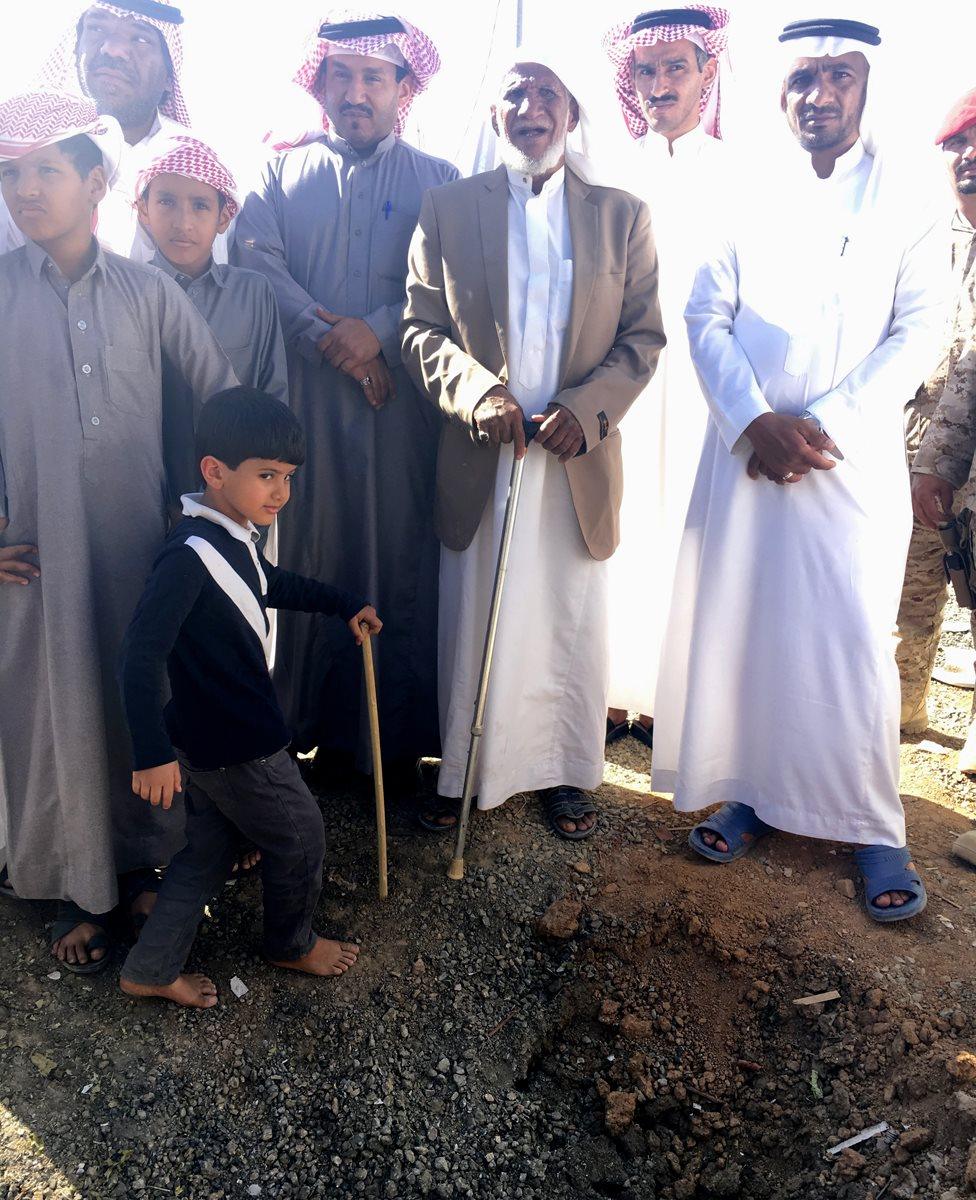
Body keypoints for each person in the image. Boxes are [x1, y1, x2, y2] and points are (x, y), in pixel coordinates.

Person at [651, 19, 949, 921]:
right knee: (752, 625)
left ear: (868, 86)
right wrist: (753, 420)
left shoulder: (910, 195)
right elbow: (704, 312)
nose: (820, 95)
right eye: (804, 79)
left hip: (844, 461)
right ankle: (751, 790)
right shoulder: (744, 187)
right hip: (746, 455)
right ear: (778, 91)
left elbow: (920, 328)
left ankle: (870, 823)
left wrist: (820, 426)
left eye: (841, 77)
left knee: (849, 639)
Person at [0, 90, 237, 972]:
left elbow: (222, 405)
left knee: (142, 703)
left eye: (47, 172)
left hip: (140, 549)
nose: (27, 191)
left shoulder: (147, 293)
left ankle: (145, 866)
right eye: (12, 174)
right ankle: (74, 882)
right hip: (34, 558)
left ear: (95, 182)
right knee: (55, 707)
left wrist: (208, 522)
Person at [401, 51, 664, 839]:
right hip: (486, 452)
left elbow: (643, 335)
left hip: (574, 457)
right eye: (513, 92)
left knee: (565, 617)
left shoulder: (622, 212)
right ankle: (463, 770)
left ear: (573, 115)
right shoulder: (447, 208)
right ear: (494, 116)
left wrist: (587, 410)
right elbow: (419, 326)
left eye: (548, 92)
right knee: (477, 614)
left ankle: (562, 773)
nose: (530, 105)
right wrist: (476, 393)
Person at [233, 12, 459, 787]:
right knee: (308, 553)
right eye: (342, 77)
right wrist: (332, 338)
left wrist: (381, 333)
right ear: (320, 84)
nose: (356, 93)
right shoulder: (277, 174)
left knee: (398, 558)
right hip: (306, 413)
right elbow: (256, 262)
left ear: (403, 88)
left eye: (374, 78)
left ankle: (391, 745)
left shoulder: (441, 179)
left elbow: (456, 285)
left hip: (402, 411)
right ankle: (299, 729)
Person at [118, 389, 378, 1008]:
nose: (280, 492)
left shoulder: (234, 535)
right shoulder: (187, 557)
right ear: (214, 471)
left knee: (207, 850)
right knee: (301, 835)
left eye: (286, 477)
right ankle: (290, 942)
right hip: (236, 746)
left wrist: (343, 605)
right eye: (266, 476)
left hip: (213, 739)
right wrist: (149, 754)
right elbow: (138, 655)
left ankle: (150, 967)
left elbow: (271, 583)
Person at [602, 4, 731, 748]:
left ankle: (667, 703)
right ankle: (612, 696)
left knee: (686, 532)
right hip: (625, 380)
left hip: (702, 387)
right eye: (645, 70)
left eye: (675, 67)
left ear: (707, 72)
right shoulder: (611, 172)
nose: (659, 84)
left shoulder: (742, 174)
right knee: (620, 532)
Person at [1, 1, 218, 262]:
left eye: (140, 38)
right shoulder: (19, 150)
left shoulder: (201, 165)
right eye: (96, 29)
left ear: (169, 76)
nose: (112, 49)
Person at [136, 135, 288, 500]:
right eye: (166, 202)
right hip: (143, 491)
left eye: (200, 206)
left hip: (232, 496)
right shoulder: (126, 294)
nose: (183, 222)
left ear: (224, 217)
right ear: (143, 211)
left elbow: (273, 393)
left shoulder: (253, 293)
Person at [899, 88, 976, 764]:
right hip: (926, 438)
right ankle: (903, 713)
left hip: (958, 447)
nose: (969, 156)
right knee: (917, 584)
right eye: (957, 144)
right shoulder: (932, 239)